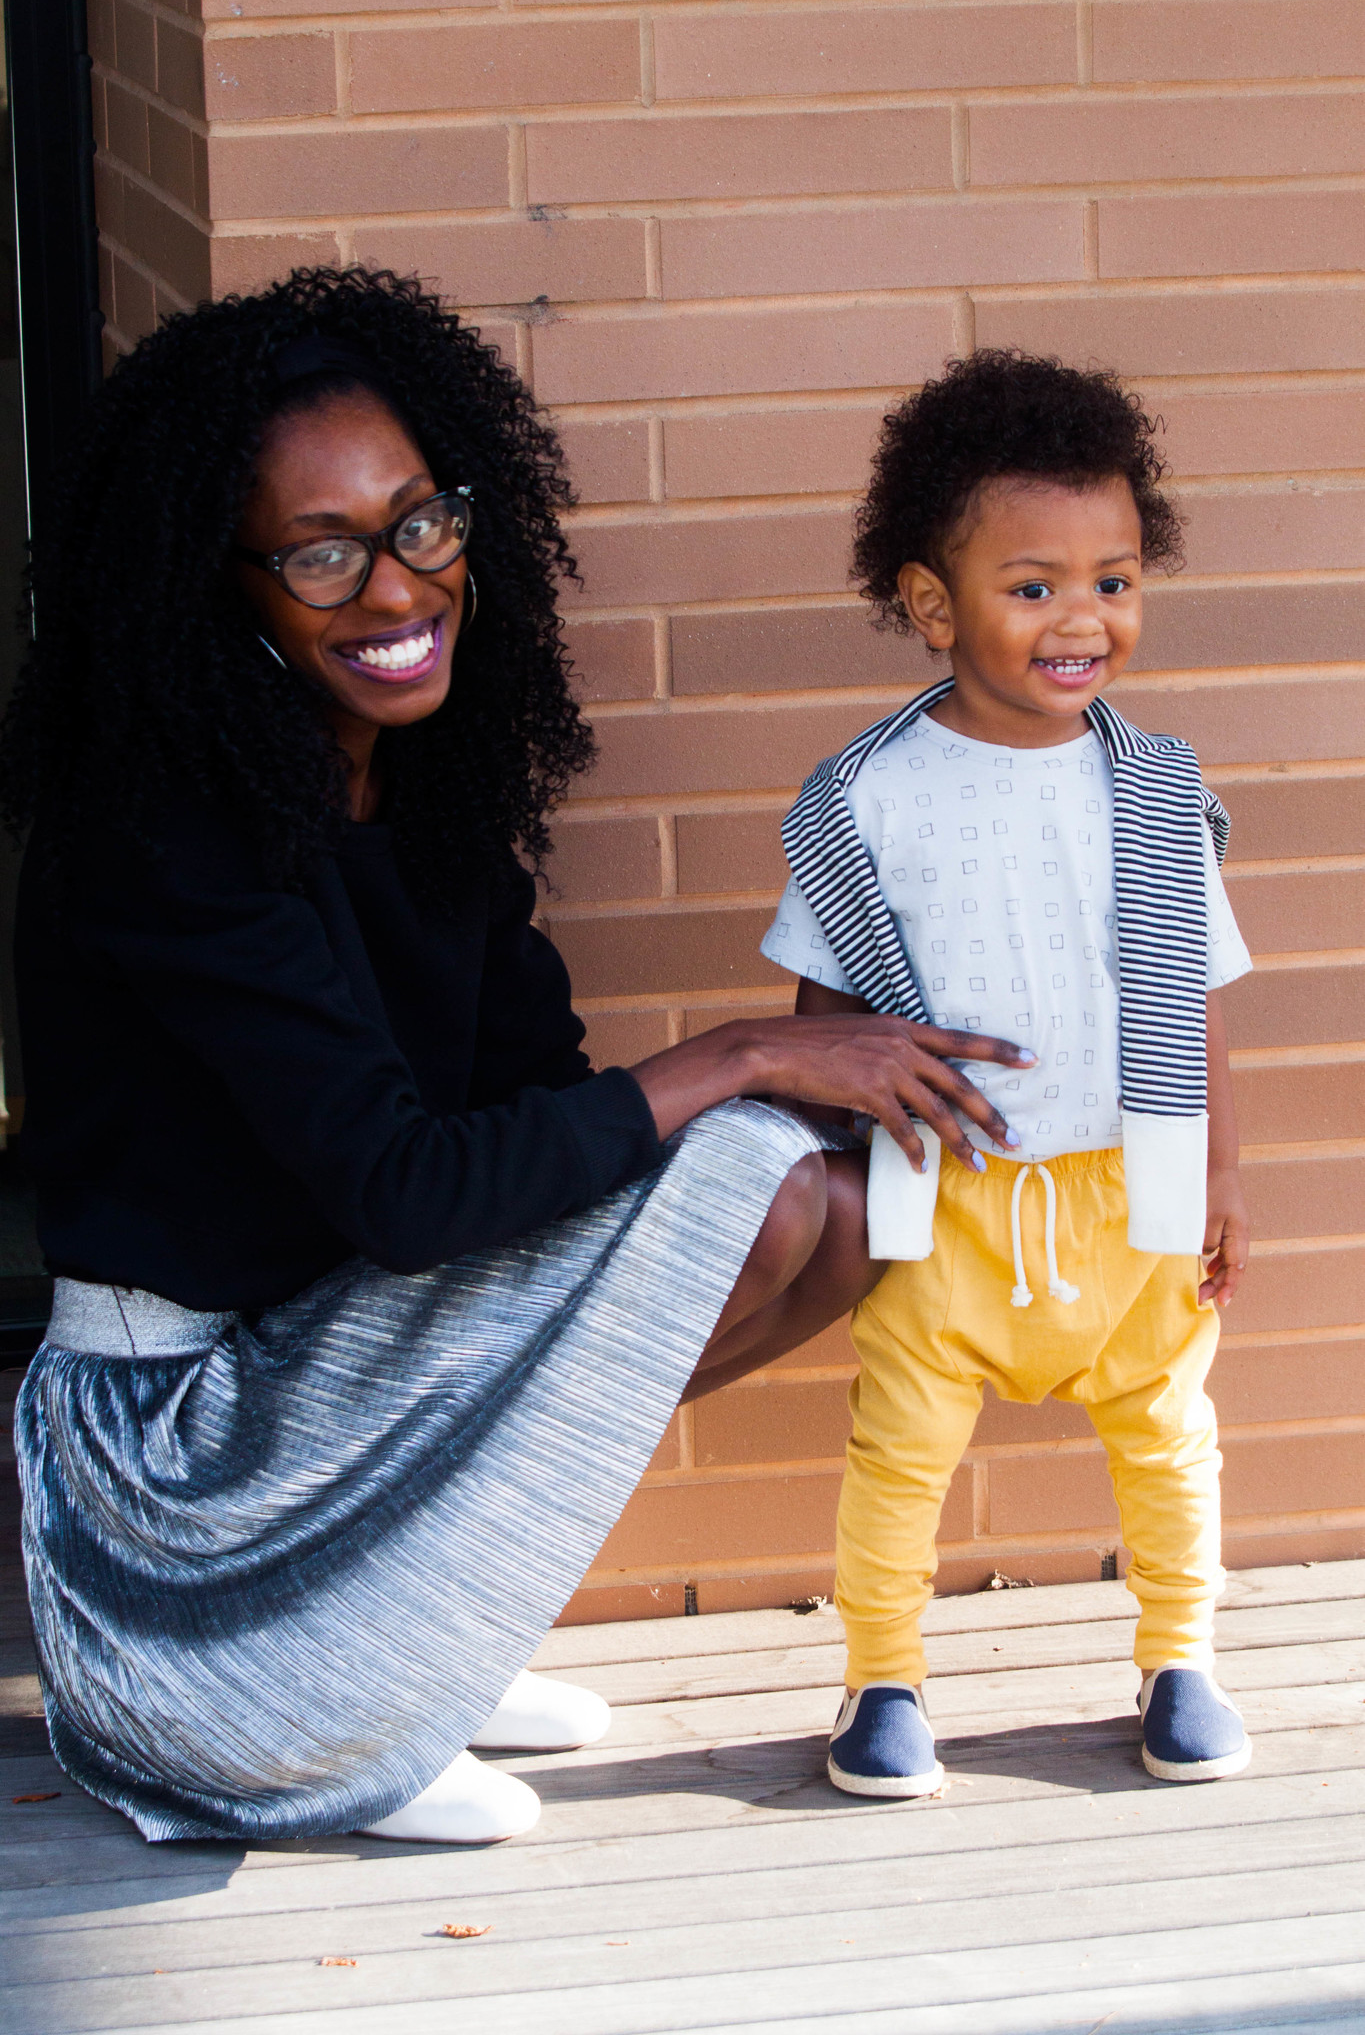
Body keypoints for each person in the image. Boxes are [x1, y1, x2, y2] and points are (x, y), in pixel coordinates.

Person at [1, 268, 1034, 1847]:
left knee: (826, 1209)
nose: (396, 589)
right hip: (178, 1447)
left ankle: (415, 1627)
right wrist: (747, 1049)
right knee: (751, 1164)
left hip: (323, 1356)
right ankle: (318, 1683)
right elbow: (410, 1195)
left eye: (423, 525)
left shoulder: (421, 798)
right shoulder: (166, 838)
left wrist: (783, 1074)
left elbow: (530, 1110)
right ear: (222, 586)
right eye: (322, 553)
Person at [762, 350, 1254, 1797]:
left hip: (1130, 1185)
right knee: (899, 1449)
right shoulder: (861, 800)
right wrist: (836, 1179)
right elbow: (820, 1014)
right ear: (931, 606)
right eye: (1031, 585)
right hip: (947, 1196)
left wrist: (1219, 1171)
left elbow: (1203, 988)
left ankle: (1179, 1660)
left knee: (1166, 1437)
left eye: (1112, 579)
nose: (1080, 619)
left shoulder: (1157, 786)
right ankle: (881, 1683)